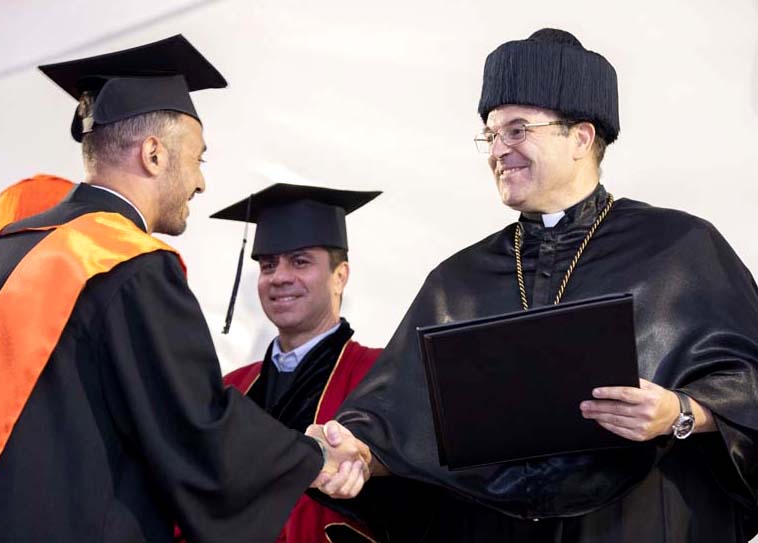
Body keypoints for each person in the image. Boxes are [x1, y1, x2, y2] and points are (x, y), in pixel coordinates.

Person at [316, 28, 758, 541]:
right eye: (490, 133)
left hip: (635, 523)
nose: (498, 150)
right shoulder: (457, 281)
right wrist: (360, 454)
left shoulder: (680, 249)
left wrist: (681, 413)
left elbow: (748, 385)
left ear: (581, 137)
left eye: (518, 129)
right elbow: (395, 425)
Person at [0, 35, 367, 543]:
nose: (201, 183)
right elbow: (194, 426)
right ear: (154, 154)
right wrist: (313, 455)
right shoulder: (124, 262)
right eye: (198, 159)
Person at [211, 183, 383, 542]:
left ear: (341, 276)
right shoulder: (229, 388)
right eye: (268, 265)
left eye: (300, 261)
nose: (279, 277)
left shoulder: (381, 377)